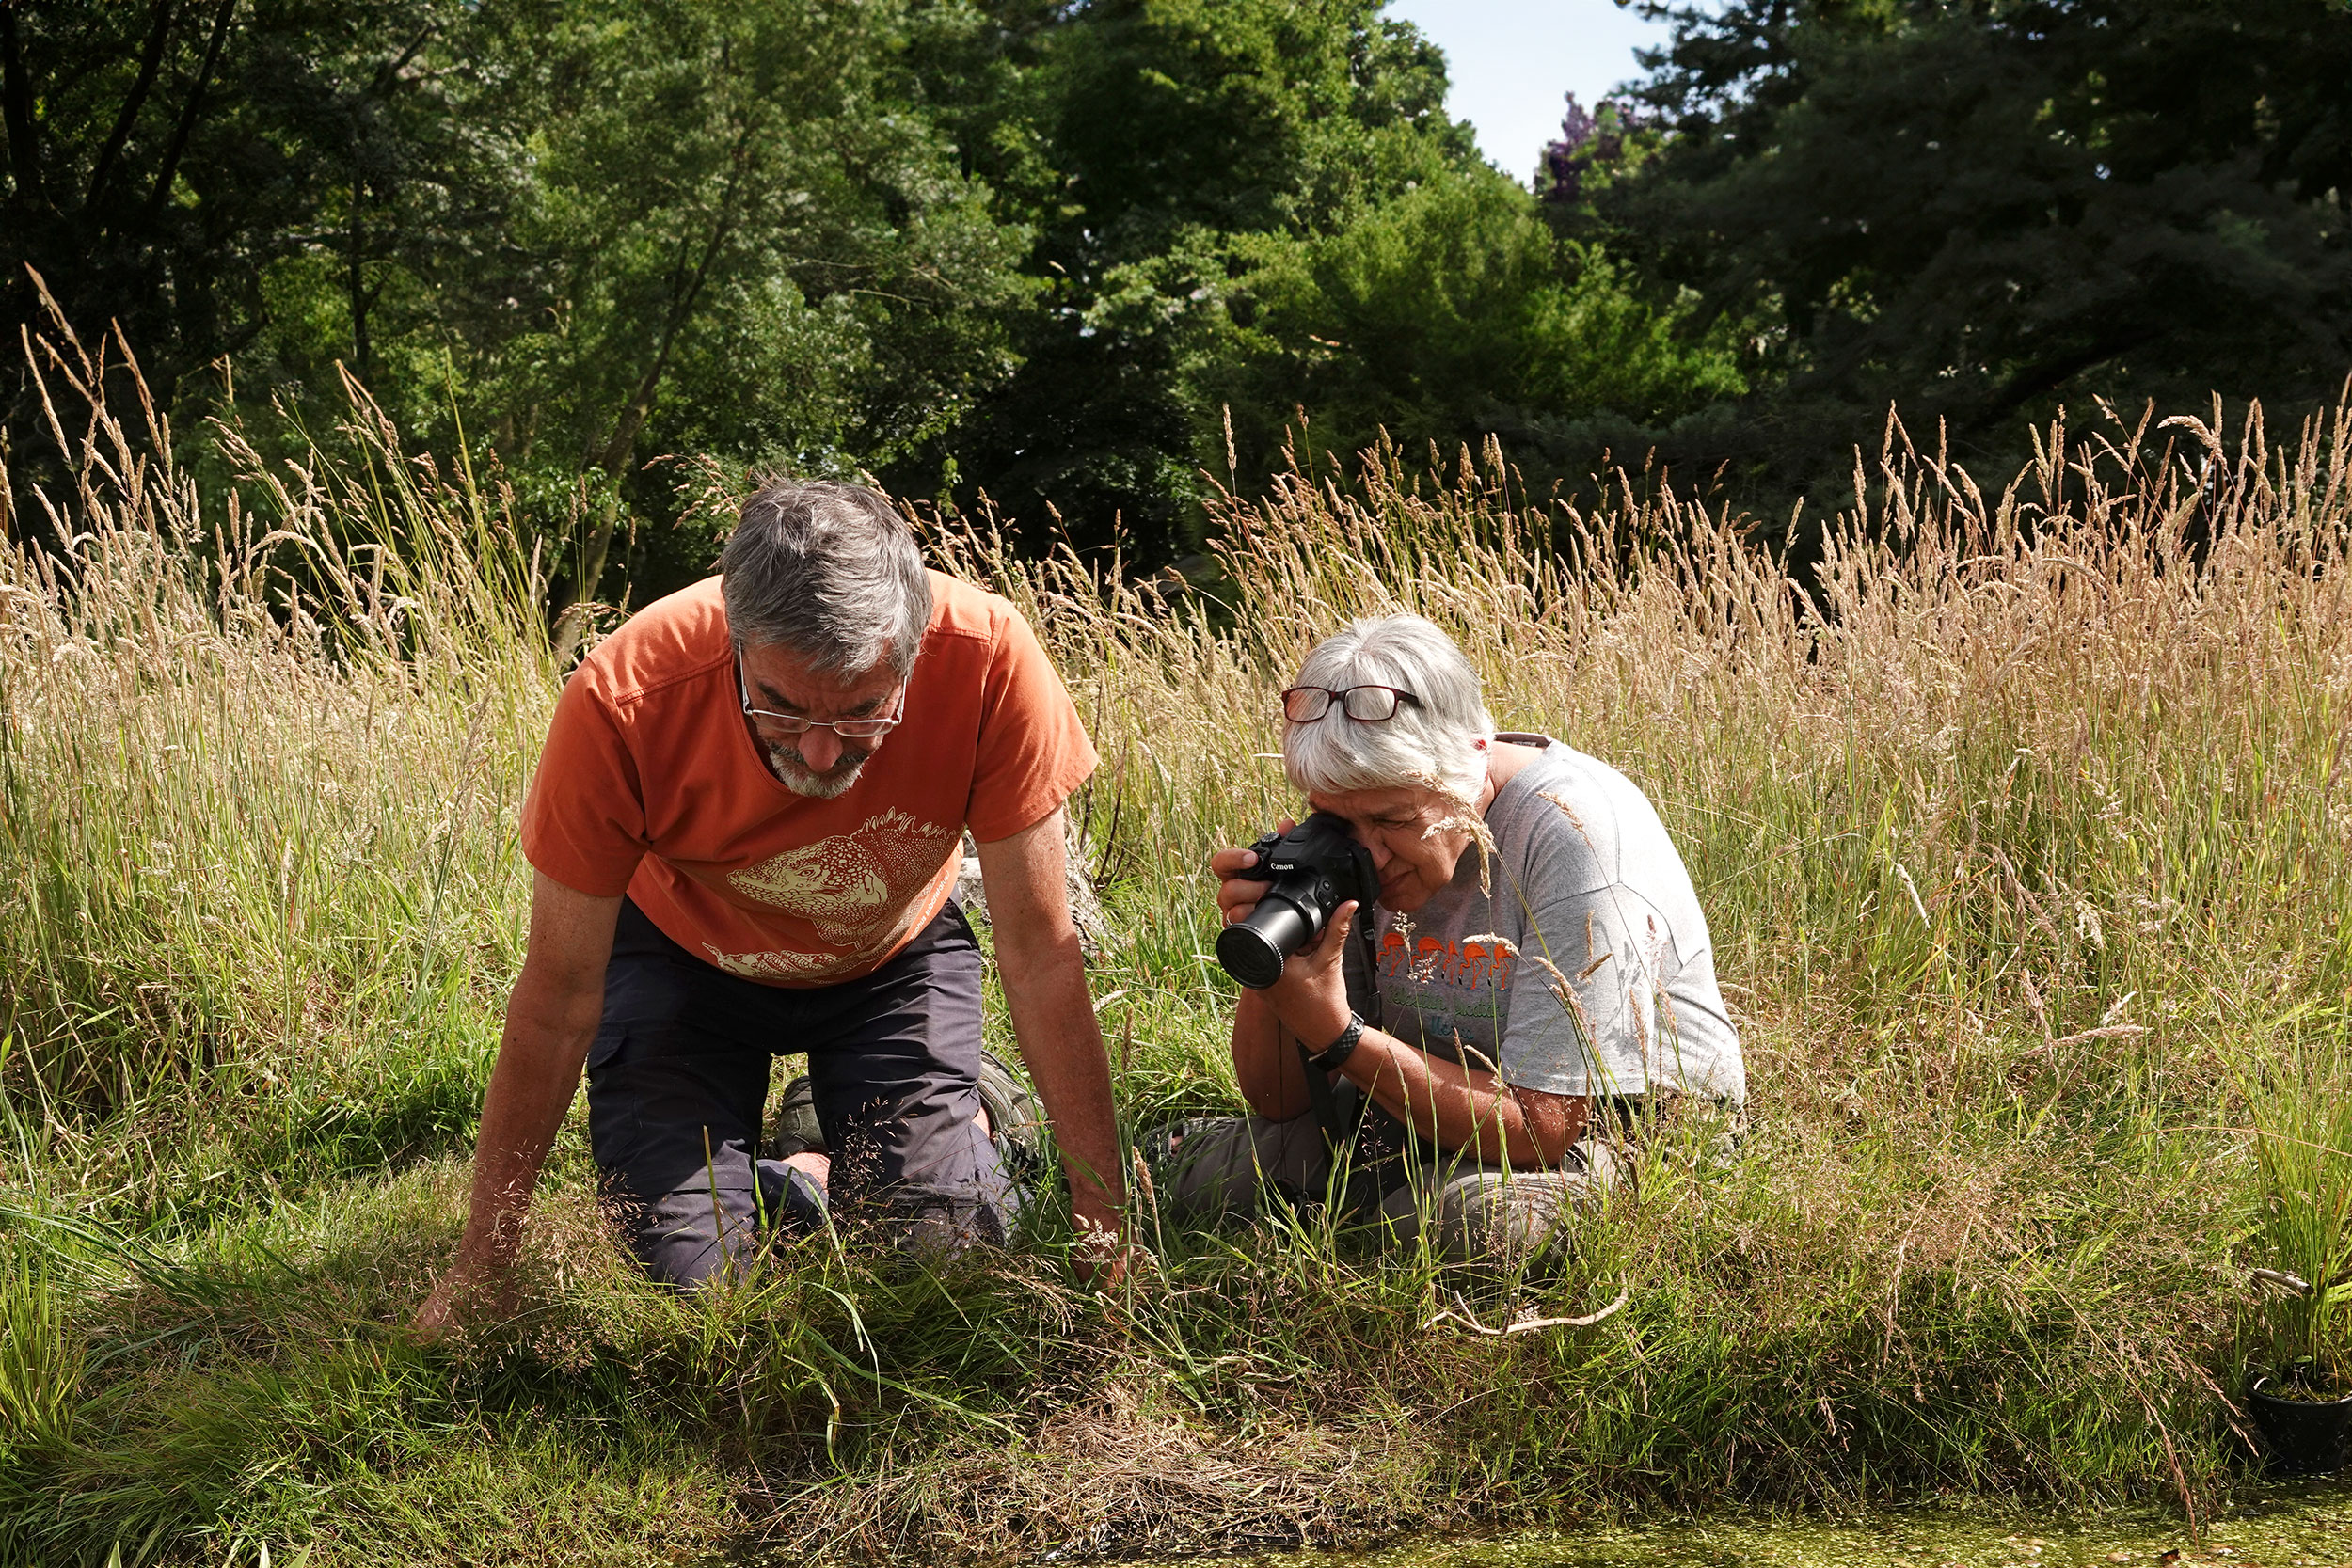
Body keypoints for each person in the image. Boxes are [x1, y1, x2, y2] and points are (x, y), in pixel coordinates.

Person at [416, 480, 1123, 1331]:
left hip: (892, 960)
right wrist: (480, 1268)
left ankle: (983, 1119)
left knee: (939, 1266)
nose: (822, 754)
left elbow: (1043, 953)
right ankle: (815, 1167)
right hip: (685, 965)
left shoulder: (989, 656)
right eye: (780, 707)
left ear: (910, 650)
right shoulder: (622, 699)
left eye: (864, 712)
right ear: (735, 642)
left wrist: (1103, 1219)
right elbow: (559, 996)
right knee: (690, 1296)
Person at [1162, 613, 1745, 1262]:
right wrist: (1270, 957)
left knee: (1456, 1220)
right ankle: (1262, 1169)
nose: (1369, 853)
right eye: (1335, 819)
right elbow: (1278, 1098)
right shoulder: (1362, 833)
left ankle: (1368, 1199)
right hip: (1424, 1103)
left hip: (1620, 1127)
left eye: (1393, 819)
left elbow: (1543, 1125)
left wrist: (1336, 1035)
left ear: (1469, 763)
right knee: (1196, 1180)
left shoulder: (1572, 832)